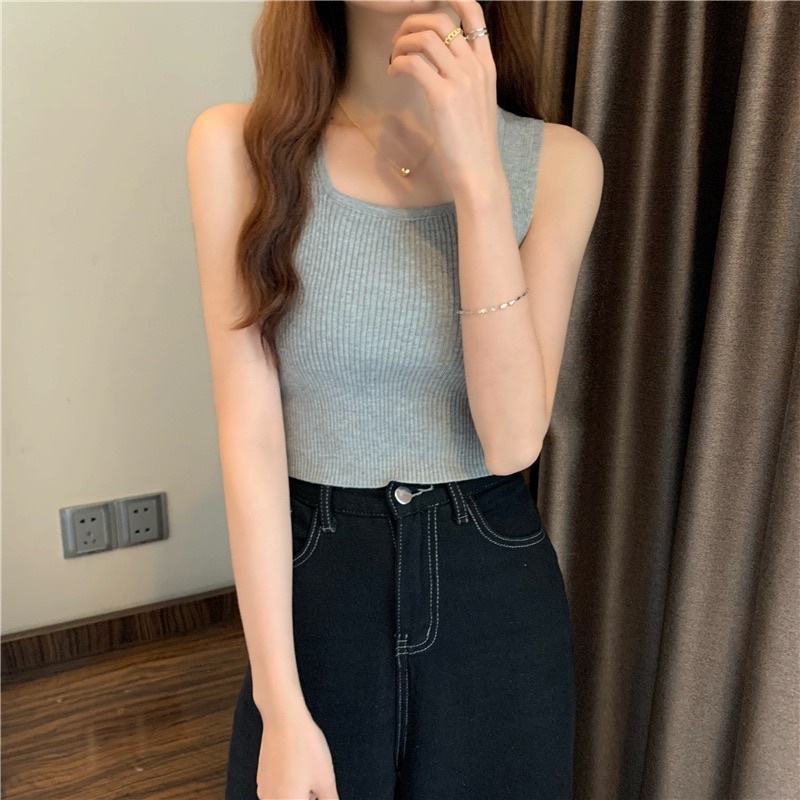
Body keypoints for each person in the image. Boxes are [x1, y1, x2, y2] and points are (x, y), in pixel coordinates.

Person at [186, 1, 603, 797]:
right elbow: (250, 439)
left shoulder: (558, 163)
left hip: (493, 591)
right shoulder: (237, 147)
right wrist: (280, 706)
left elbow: (513, 439)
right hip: (317, 582)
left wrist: (479, 180)